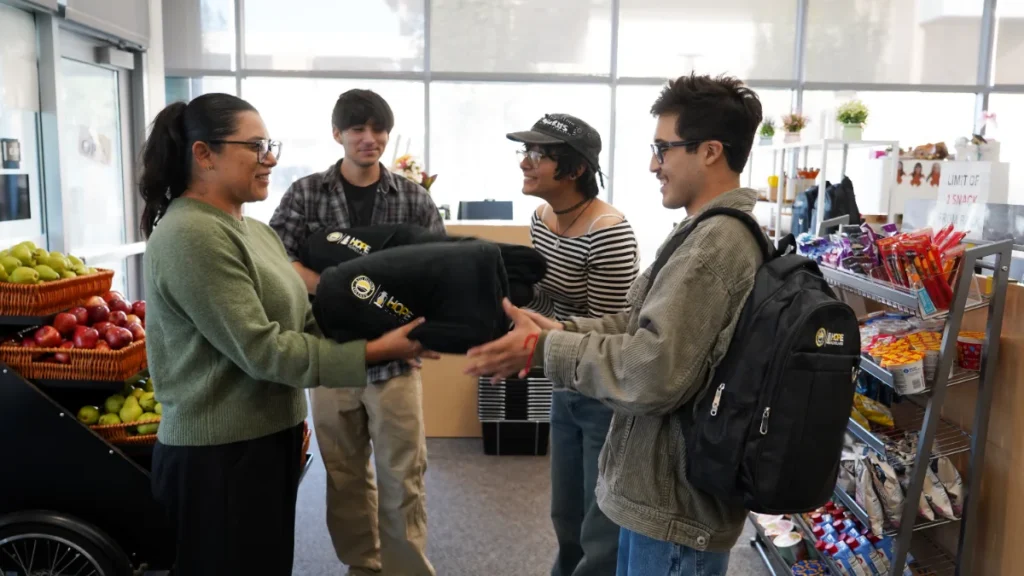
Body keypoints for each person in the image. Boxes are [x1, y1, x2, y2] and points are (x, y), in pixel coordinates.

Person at [464, 73, 766, 576]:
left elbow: (648, 371)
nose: (653, 164)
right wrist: (557, 334)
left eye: (663, 148)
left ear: (710, 151)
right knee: (575, 524)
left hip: (672, 505)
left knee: (596, 543)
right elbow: (633, 323)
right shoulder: (701, 234)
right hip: (656, 483)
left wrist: (546, 347)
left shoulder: (713, 247)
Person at [140, 93, 435, 576]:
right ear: (203, 154)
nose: (270, 157)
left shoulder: (254, 231)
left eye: (269, 144)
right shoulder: (190, 234)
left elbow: (306, 321)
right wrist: (376, 348)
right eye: (256, 146)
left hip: (268, 439)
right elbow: (264, 348)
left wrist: (390, 326)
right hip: (219, 456)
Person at [269, 89, 443, 576]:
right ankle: (363, 567)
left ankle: (406, 570)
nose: (370, 139)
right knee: (345, 476)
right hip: (331, 356)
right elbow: (278, 257)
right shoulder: (306, 192)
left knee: (404, 476)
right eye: (358, 130)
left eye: (378, 130)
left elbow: (440, 269)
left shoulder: (412, 196)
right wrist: (330, 284)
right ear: (337, 134)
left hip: (397, 362)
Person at [506, 113, 639, 576]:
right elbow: (547, 298)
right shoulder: (542, 217)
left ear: (575, 169)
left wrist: (545, 331)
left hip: (603, 391)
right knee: (566, 516)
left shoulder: (609, 233)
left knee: (599, 525)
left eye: (537, 155)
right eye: (525, 152)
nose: (525, 162)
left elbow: (614, 329)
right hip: (563, 380)